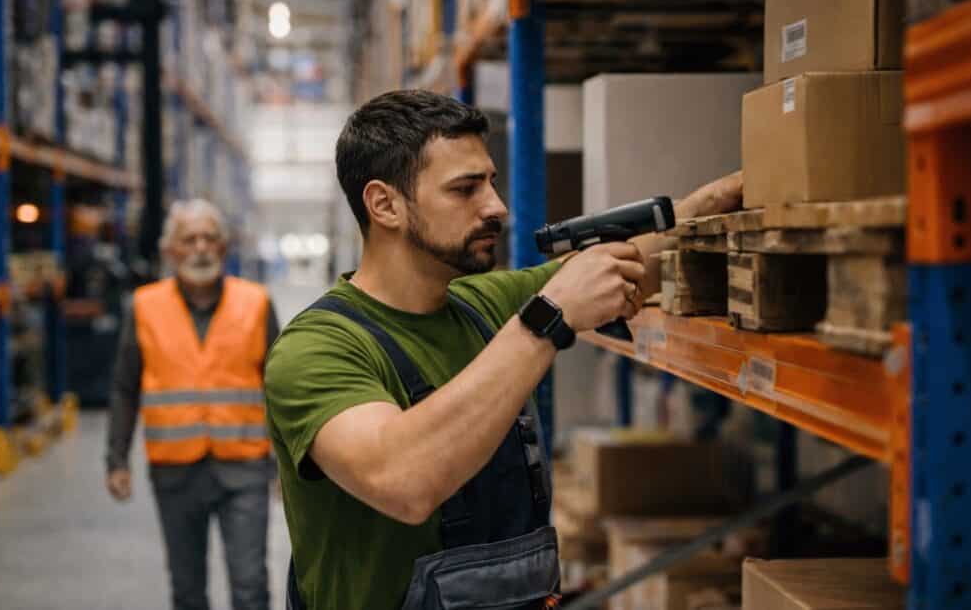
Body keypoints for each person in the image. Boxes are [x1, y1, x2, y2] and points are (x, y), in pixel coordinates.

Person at [264, 90, 744, 610]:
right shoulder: (315, 350)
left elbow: (623, 266)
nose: (497, 207)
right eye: (465, 189)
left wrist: (707, 206)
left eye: (491, 183)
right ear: (385, 205)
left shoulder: (479, 305)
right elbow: (403, 479)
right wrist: (546, 321)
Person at [106, 198, 280, 610]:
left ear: (224, 247)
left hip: (245, 467)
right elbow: (125, 388)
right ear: (170, 250)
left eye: (209, 238)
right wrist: (116, 460)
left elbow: (280, 388)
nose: (200, 247)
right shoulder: (144, 307)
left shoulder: (256, 303)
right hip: (175, 471)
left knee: (251, 587)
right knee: (187, 592)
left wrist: (288, 466)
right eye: (189, 239)